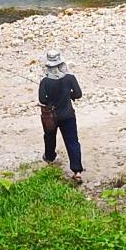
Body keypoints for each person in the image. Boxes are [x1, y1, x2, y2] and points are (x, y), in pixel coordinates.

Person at [38, 50, 84, 184]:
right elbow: (78, 94)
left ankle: (50, 157)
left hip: (51, 116)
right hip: (68, 115)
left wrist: (51, 100)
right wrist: (69, 96)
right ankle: (77, 171)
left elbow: (42, 99)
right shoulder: (70, 78)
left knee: (49, 137)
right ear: (61, 63)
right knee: (73, 142)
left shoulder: (44, 81)